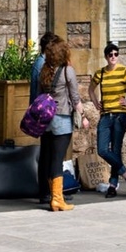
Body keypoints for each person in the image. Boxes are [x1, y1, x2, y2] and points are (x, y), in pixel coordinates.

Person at [36, 34, 88, 211]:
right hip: (62, 119)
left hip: (47, 120)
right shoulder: (67, 71)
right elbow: (75, 97)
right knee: (58, 159)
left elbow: (38, 95)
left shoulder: (44, 70)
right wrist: (84, 115)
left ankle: (52, 194)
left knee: (50, 158)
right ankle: (57, 199)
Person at [88, 42, 126, 198]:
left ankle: (112, 185)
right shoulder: (101, 73)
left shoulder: (124, 71)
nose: (113, 57)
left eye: (116, 54)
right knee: (103, 149)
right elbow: (91, 89)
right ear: (106, 57)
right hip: (105, 115)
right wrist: (96, 103)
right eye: (110, 55)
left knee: (116, 150)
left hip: (119, 116)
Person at [30, 32, 54, 202]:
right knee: (47, 153)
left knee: (49, 152)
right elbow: (37, 91)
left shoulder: (42, 63)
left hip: (43, 111)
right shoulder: (41, 64)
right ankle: (45, 191)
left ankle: (49, 190)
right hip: (45, 112)